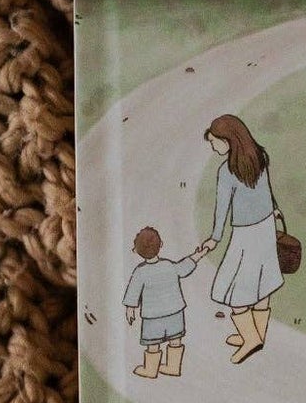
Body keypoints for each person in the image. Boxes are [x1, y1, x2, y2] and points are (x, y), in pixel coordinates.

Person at [199, 113, 284, 365]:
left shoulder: (227, 172)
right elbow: (266, 189)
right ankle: (256, 334)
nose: (213, 147)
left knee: (234, 287)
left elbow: (222, 209)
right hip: (266, 227)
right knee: (262, 281)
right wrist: (274, 209)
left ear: (228, 140)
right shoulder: (259, 156)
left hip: (246, 233)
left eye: (214, 142)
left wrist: (214, 239)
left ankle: (251, 339)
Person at [121, 225, 212, 378]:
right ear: (161, 245)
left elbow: (133, 292)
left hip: (152, 317)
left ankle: (151, 370)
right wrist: (200, 254)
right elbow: (185, 267)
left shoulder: (140, 272)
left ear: (136, 250)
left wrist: (130, 309)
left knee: (153, 344)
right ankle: (173, 367)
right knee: (175, 340)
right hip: (175, 312)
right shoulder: (169, 265)